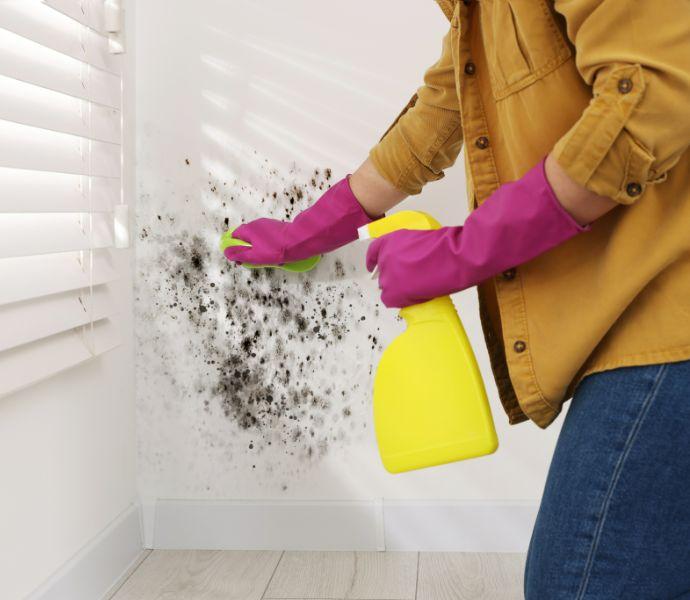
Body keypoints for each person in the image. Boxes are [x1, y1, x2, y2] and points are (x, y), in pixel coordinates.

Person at [223, 1, 690, 597]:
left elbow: (647, 104)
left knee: (578, 583)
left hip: (669, 315)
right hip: (645, 317)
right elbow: (443, 110)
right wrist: (311, 230)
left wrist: (461, 254)